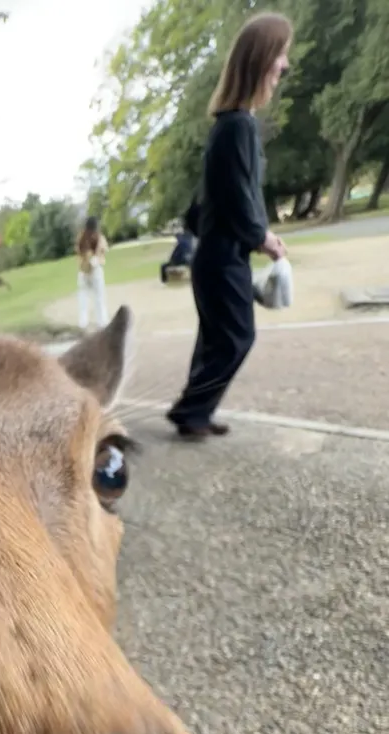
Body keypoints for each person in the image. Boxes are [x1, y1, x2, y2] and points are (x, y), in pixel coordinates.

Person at [166, 12, 291, 441]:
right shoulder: (238, 126)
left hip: (216, 258)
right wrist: (262, 237)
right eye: (280, 55)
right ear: (260, 60)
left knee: (218, 339)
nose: (284, 66)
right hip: (222, 260)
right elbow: (240, 197)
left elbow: (211, 203)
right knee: (236, 337)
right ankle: (191, 409)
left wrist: (255, 231)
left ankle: (194, 411)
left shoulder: (231, 125)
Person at [76, 217, 109, 330]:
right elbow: (103, 251)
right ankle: (102, 322)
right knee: (99, 297)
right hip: (95, 270)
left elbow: (79, 254)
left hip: (83, 271)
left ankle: (83, 323)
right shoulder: (99, 237)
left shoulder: (81, 237)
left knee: (83, 297)